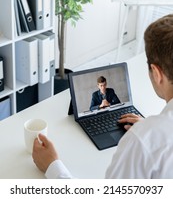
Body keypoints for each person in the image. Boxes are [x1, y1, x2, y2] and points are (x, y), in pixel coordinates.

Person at [33, 14, 173, 178]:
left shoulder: (141, 142)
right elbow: (91, 107)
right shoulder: (95, 96)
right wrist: (149, 129)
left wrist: (52, 166)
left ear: (156, 73)